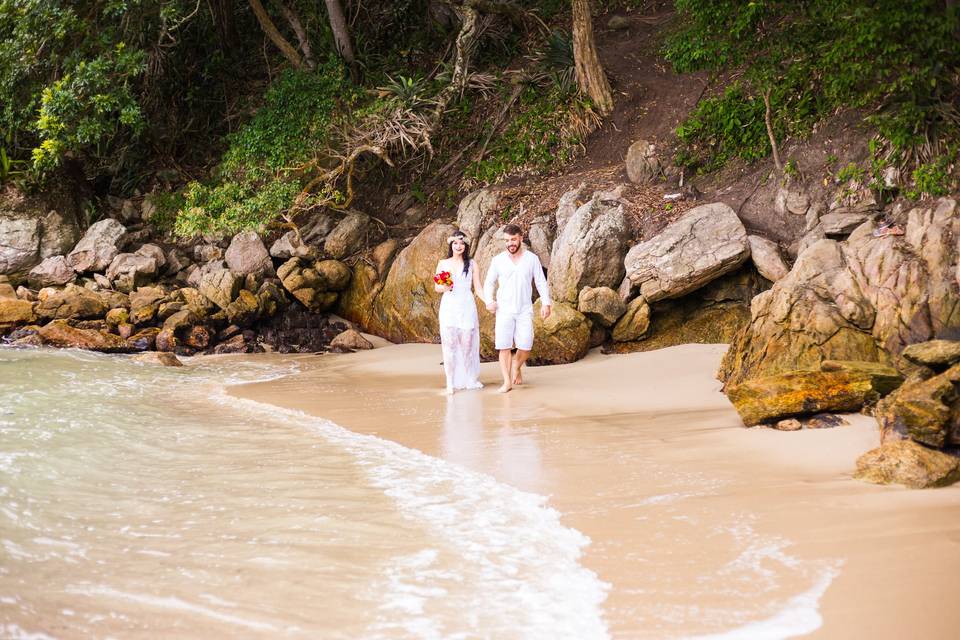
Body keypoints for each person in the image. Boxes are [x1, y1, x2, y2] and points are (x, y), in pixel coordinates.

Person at [483, 223, 551, 393]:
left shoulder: (531, 259)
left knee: (526, 346)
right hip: (503, 309)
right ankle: (507, 382)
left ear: (521, 237)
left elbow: (541, 282)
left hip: (524, 309)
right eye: (507, 240)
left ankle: (517, 366)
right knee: (504, 346)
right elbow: (489, 282)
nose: (510, 243)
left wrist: (546, 303)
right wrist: (489, 301)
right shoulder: (498, 260)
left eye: (513, 239)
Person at [435, 230, 485, 394]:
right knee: (449, 345)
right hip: (450, 306)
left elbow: (478, 288)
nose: (459, 246)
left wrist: (489, 302)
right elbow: (437, 287)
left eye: (462, 243)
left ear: (466, 246)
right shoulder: (443, 263)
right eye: (455, 243)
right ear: (451, 245)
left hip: (466, 306)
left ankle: (469, 379)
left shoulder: (472, 264)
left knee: (467, 345)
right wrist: (445, 287)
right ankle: (450, 383)